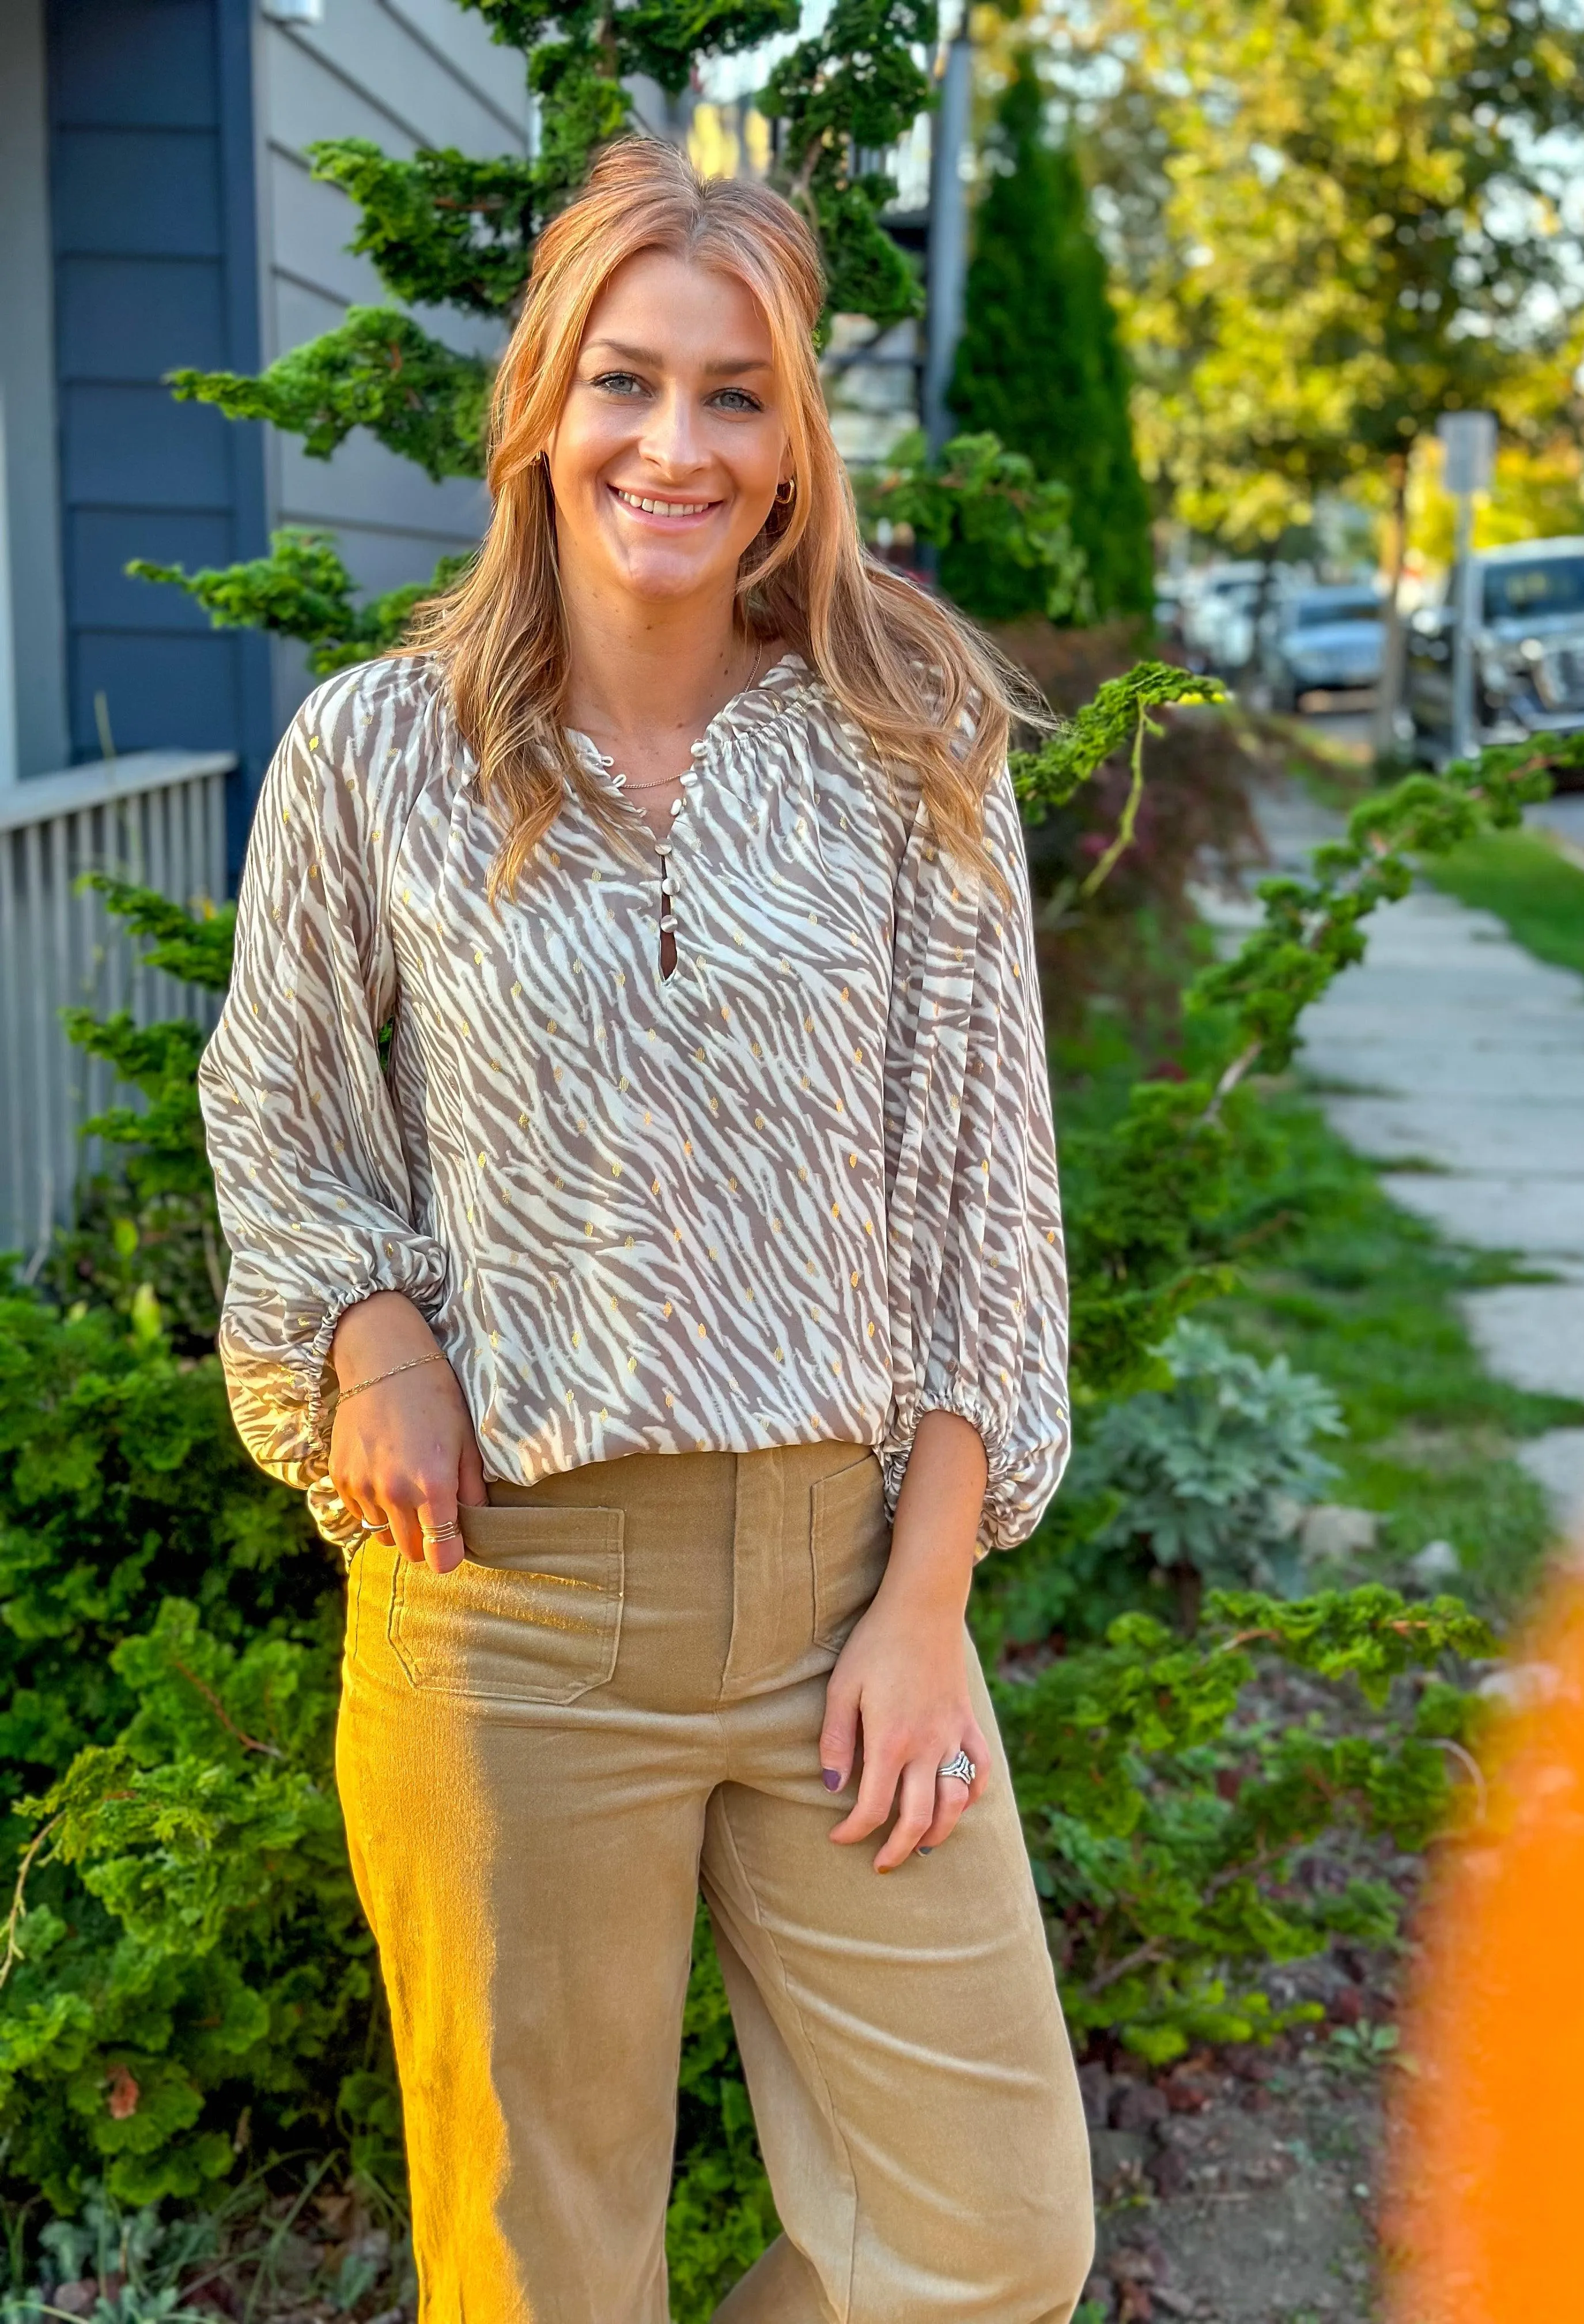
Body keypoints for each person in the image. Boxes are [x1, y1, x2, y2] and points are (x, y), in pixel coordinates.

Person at [198, 135, 1094, 2323]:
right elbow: (279, 1107)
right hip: (500, 1602)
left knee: (989, 2239)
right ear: (540, 407)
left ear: (797, 446)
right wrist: (372, 1340)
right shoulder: (377, 754)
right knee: (540, 2272)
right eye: (626, 380)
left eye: (735, 394)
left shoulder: (913, 743)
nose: (672, 444)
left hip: (837, 1600)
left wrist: (926, 1604)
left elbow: (987, 1203)